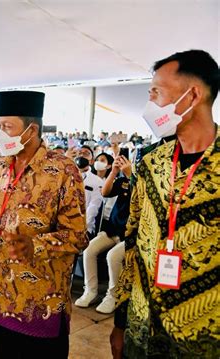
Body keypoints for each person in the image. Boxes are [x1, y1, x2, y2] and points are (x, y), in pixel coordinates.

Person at [0, 91, 88, 358]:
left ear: (31, 130)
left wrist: (35, 245)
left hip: (42, 299)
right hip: (2, 292)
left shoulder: (62, 170)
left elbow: (78, 236)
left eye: (7, 127)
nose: (0, 133)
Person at [111, 49, 219, 358]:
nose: (150, 105)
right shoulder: (150, 163)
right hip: (141, 331)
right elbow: (131, 240)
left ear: (192, 95)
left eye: (156, 93)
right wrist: (121, 321)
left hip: (202, 340)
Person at [75, 154, 132, 313]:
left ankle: (113, 296)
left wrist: (131, 175)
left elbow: (141, 194)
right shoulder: (123, 181)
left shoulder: (143, 182)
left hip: (131, 233)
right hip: (113, 228)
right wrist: (114, 172)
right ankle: (90, 291)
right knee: (89, 250)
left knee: (113, 256)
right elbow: (105, 192)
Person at [74, 146, 104, 238]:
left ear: (91, 161)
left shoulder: (97, 181)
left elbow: (93, 207)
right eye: (79, 153)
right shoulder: (66, 176)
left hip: (84, 228)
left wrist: (82, 227)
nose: (82, 155)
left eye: (86, 153)